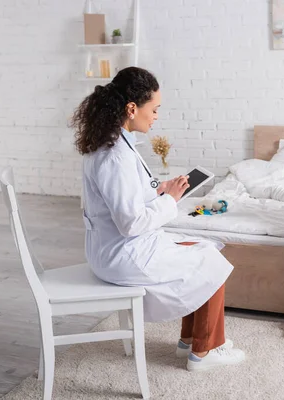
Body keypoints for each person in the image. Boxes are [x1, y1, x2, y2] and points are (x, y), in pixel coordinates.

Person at [71, 66, 245, 371]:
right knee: (212, 261)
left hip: (113, 246)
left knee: (206, 246)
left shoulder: (116, 143)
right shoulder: (115, 155)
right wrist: (170, 201)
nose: (156, 116)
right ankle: (205, 352)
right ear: (132, 108)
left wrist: (159, 189)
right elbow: (131, 223)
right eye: (155, 109)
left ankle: (190, 341)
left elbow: (127, 195)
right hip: (121, 253)